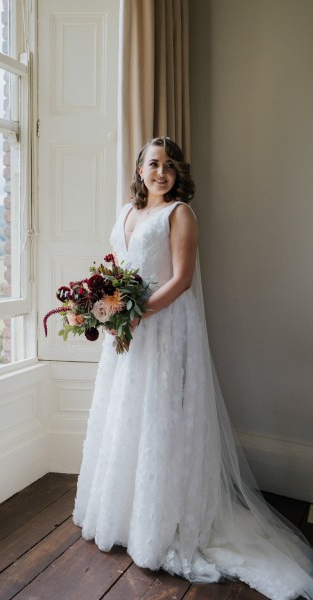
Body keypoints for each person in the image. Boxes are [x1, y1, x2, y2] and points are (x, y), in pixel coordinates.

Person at [73, 137, 313, 600]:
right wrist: (103, 306)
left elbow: (181, 279)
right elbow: (118, 267)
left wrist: (136, 314)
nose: (161, 172)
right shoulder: (127, 210)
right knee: (126, 413)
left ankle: (162, 521)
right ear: (140, 170)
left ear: (178, 173)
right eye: (153, 164)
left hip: (164, 327)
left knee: (161, 419)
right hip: (128, 333)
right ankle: (122, 514)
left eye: (169, 166)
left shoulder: (179, 214)